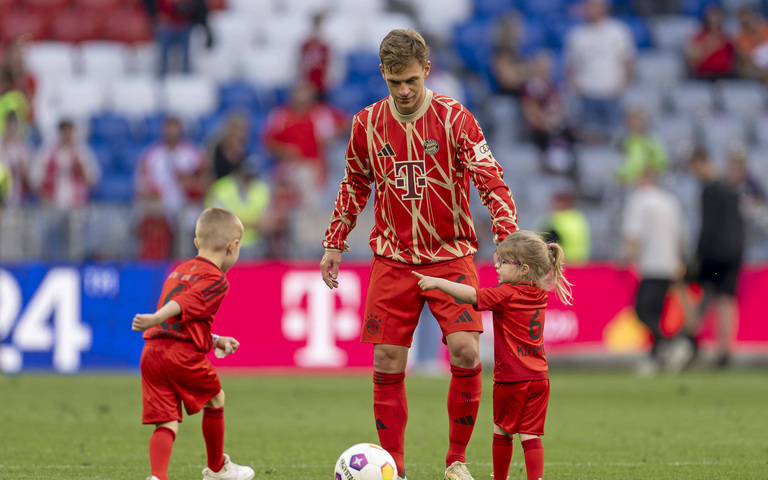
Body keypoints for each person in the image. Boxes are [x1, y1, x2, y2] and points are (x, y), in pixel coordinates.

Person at [320, 29, 518, 480]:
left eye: (411, 80)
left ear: (426, 70)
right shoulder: (366, 124)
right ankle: (395, 469)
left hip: (451, 255)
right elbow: (354, 184)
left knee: (467, 352)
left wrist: (507, 237)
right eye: (394, 83)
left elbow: (491, 178)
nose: (404, 91)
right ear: (383, 76)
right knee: (387, 360)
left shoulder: (455, 118)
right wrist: (335, 240)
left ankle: (456, 461)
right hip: (392, 258)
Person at [413, 231, 572, 480]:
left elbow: (469, 295)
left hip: (511, 378)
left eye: (504, 262)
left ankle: (500, 477)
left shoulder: (506, 294)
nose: (498, 266)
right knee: (530, 434)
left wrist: (437, 282)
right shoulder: (539, 294)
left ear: (524, 270)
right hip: (540, 377)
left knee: (502, 430)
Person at [131, 207, 254, 480]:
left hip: (152, 352)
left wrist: (215, 339)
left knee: (167, 421)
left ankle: (157, 477)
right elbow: (184, 305)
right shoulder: (216, 279)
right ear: (233, 247)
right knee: (216, 398)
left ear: (197, 243)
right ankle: (217, 469)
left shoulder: (179, 271)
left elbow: (180, 319)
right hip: (180, 354)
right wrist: (156, 317)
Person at [673, 148, 745, 370]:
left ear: (702, 163)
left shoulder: (710, 190)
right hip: (734, 252)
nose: (694, 173)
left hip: (714, 252)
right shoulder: (730, 188)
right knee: (726, 299)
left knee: (686, 286)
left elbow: (709, 227)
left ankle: (690, 336)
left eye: (694, 168)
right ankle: (724, 353)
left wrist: (697, 255)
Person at [621, 167, 686, 375]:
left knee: (642, 311)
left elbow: (634, 235)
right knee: (655, 313)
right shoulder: (670, 201)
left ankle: (670, 345)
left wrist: (626, 258)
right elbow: (682, 235)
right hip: (670, 264)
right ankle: (657, 356)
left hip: (650, 265)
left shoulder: (639, 200)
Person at [135, 116, 210, 259]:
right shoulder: (152, 155)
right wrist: (154, 194)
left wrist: (188, 182)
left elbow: (206, 185)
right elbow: (141, 187)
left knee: (187, 247)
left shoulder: (193, 154)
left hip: (187, 209)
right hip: (161, 210)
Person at [566, 0, 635, 143]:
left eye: (596, 6)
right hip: (587, 95)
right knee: (591, 139)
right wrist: (577, 87)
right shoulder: (577, 35)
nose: (592, 9)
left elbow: (628, 60)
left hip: (612, 94)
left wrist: (622, 85)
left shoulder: (618, 31)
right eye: (589, 6)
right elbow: (570, 66)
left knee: (616, 138)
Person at [520, 50, 578, 176]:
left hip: (553, 125)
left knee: (572, 134)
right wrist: (546, 124)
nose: (547, 69)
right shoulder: (530, 86)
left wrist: (557, 119)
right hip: (539, 130)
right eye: (543, 66)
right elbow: (530, 111)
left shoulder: (550, 86)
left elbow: (559, 106)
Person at [205, 159, 273, 259]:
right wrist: (249, 224)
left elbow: (270, 222)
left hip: (255, 245)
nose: (247, 179)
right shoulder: (222, 188)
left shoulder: (261, 189)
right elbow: (212, 219)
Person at [142, 0, 213, 76]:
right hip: (166, 26)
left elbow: (199, 9)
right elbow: (149, 6)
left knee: (188, 44)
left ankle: (186, 76)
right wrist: (154, 16)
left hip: (185, 27)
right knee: (163, 37)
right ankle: (162, 75)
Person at [536, 186, 591, 263]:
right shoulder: (579, 219)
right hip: (580, 266)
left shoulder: (554, 222)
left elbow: (545, 250)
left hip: (561, 267)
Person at [617, 108, 669, 184]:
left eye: (639, 120)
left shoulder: (653, 140)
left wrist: (651, 168)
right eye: (633, 120)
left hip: (649, 182)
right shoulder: (621, 141)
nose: (636, 124)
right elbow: (616, 164)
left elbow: (663, 163)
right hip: (627, 183)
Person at [685, 5, 735, 81]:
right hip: (705, 76)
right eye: (712, 23)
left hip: (726, 76)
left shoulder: (727, 38)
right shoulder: (699, 37)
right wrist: (710, 44)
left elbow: (733, 60)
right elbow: (693, 60)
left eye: (718, 23)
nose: (715, 26)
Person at [210, 112, 250, 180]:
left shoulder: (245, 153)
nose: (242, 133)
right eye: (239, 129)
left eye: (244, 130)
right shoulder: (217, 149)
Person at [734, 6, 768, 81]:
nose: (748, 24)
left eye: (749, 20)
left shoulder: (765, 28)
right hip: (757, 68)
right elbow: (750, 58)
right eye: (744, 23)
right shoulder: (741, 38)